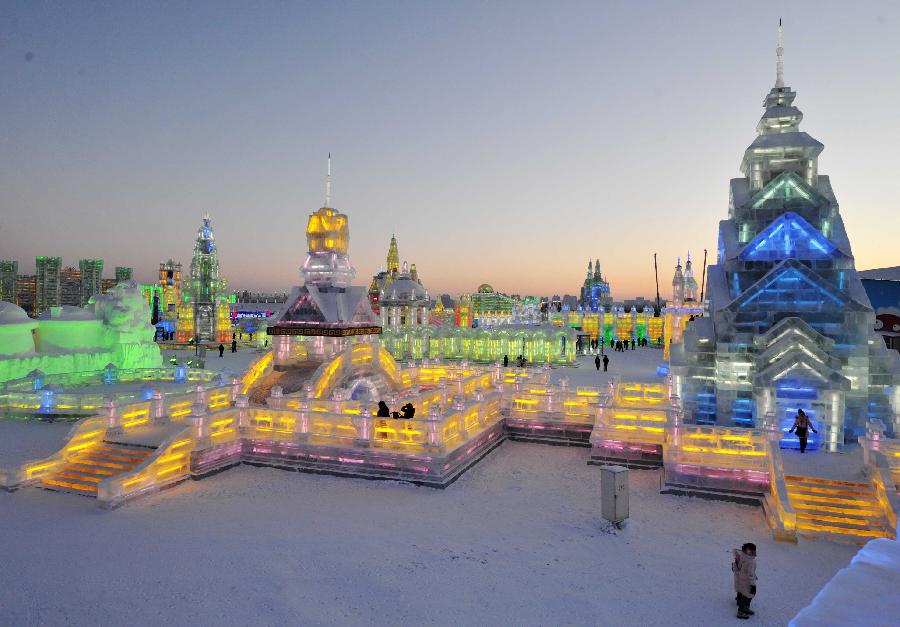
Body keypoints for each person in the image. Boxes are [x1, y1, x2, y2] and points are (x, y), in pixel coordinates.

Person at [732, 542, 758, 619]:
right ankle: (740, 612)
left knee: (747, 595)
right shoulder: (750, 561)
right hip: (748, 582)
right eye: (751, 550)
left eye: (753, 550)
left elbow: (741, 568)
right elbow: (750, 574)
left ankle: (745, 608)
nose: (753, 552)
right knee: (748, 595)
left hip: (743, 579)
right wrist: (753, 585)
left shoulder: (742, 556)